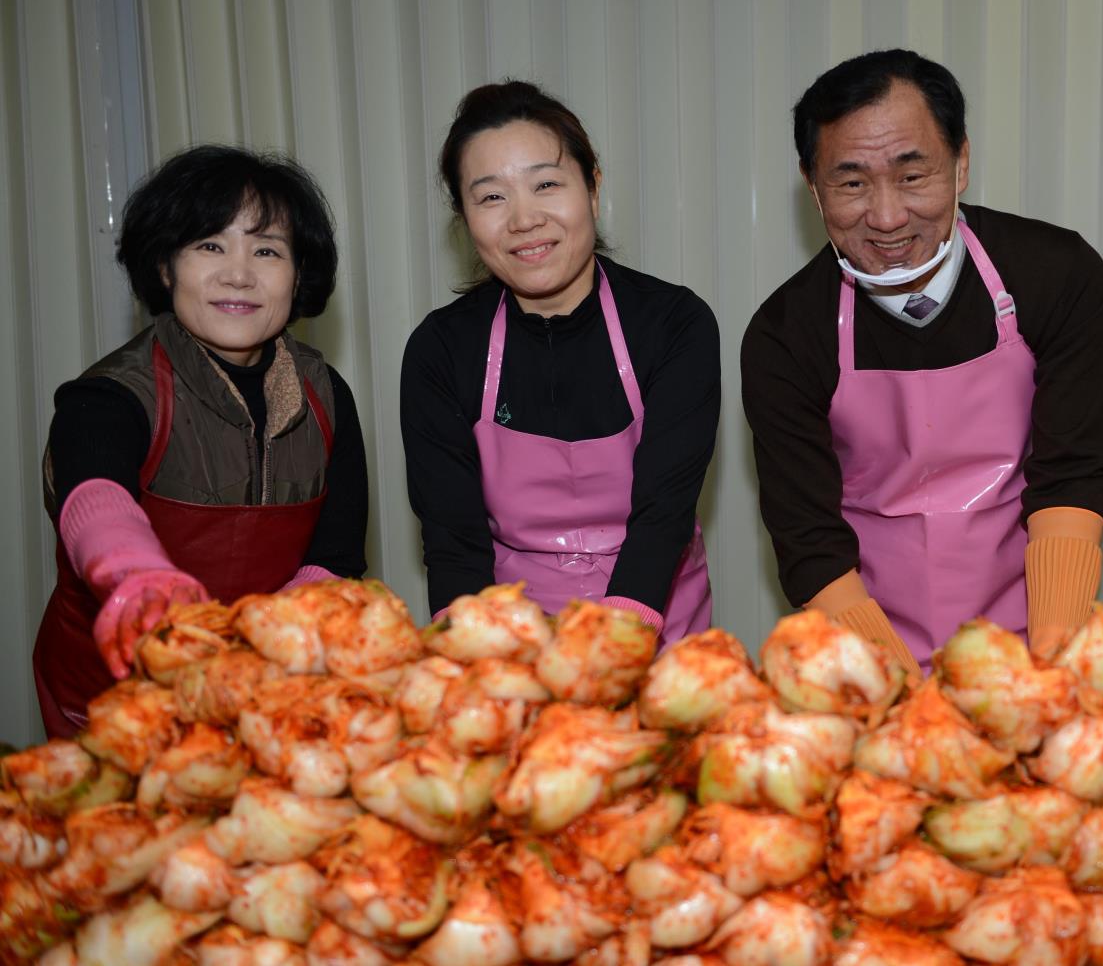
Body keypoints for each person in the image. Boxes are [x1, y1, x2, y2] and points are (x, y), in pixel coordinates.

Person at [741, 49, 1103, 676]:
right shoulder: (787, 333)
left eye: (912, 176)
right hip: (863, 642)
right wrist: (897, 696)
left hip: (1035, 627)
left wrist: (1049, 659)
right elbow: (807, 537)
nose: (886, 217)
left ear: (961, 161)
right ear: (813, 186)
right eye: (852, 182)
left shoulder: (1054, 274)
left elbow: (1071, 472)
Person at [34, 145, 368, 738]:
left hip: (262, 693)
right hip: (114, 708)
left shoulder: (325, 393)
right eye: (210, 245)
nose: (238, 273)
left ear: (298, 274)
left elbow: (335, 558)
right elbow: (95, 496)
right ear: (165, 267)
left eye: (267, 250)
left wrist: (262, 646)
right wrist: (137, 576)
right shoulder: (111, 395)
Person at [401, 80, 718, 641]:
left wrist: (611, 654)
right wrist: (474, 660)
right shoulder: (441, 350)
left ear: (592, 189)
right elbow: (453, 539)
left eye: (546, 184)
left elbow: (663, 513)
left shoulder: (674, 324)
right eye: (492, 196)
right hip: (511, 640)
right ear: (464, 216)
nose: (523, 219)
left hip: (655, 627)